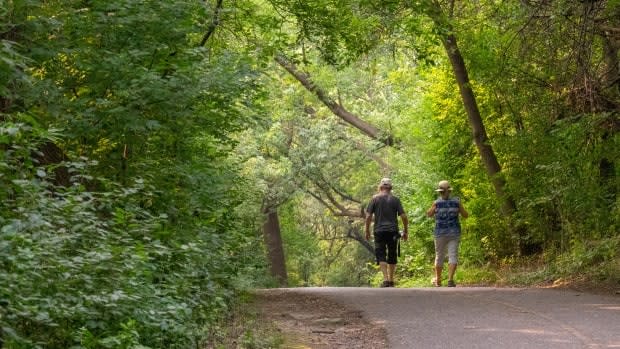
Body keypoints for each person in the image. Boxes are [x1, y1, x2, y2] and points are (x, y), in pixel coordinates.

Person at [365, 178, 409, 288]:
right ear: (390, 188)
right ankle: (391, 280)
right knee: (392, 254)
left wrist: (367, 230)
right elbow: (403, 216)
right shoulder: (395, 200)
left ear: (380, 187)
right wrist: (405, 231)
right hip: (393, 231)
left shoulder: (374, 199)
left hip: (379, 231)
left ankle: (385, 280)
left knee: (381, 254)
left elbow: (368, 216)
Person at [426, 180, 468, 287]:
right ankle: (450, 280)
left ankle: (438, 280)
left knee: (439, 256)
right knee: (453, 255)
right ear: (449, 191)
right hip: (454, 232)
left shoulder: (436, 203)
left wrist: (434, 207)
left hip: (440, 233)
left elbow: (429, 214)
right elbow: (465, 215)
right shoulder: (457, 202)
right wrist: (458, 208)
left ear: (440, 192)